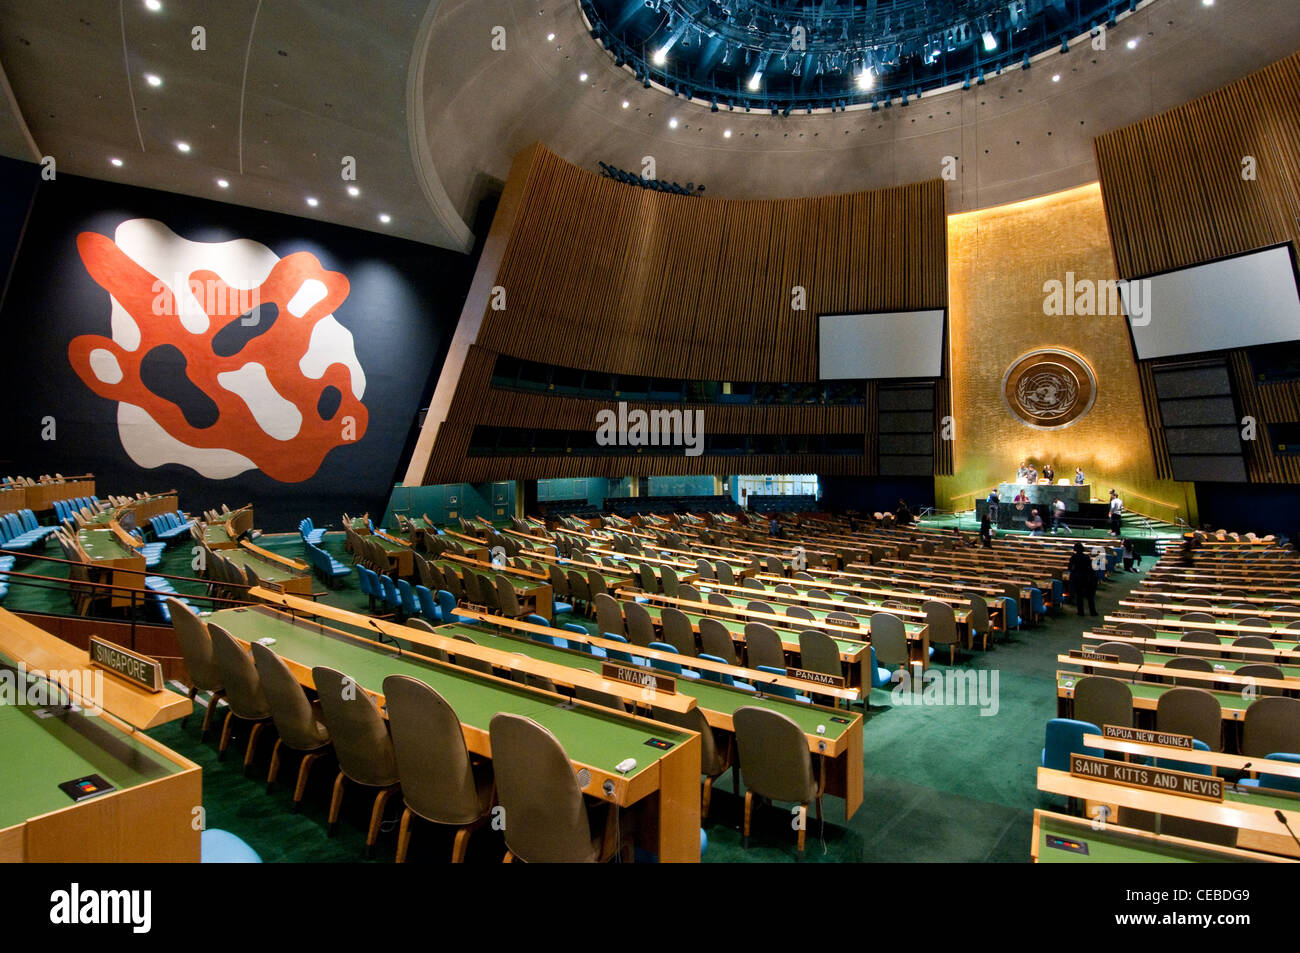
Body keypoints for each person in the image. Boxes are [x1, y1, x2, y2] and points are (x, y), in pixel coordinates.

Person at [1068, 542, 1098, 616]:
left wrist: (1074, 572)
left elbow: (1070, 568)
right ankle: (1093, 612)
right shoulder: (1086, 557)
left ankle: (1080, 612)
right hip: (1086, 577)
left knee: (1079, 596)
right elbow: (1091, 567)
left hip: (1078, 578)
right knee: (1090, 596)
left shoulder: (1073, 557)